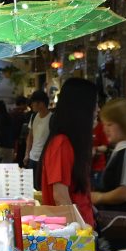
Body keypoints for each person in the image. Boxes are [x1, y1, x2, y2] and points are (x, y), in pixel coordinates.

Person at [39, 78, 97, 228]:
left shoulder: (69, 143)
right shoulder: (61, 143)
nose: (97, 110)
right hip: (74, 237)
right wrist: (79, 232)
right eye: (94, 104)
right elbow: (60, 196)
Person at [23, 90, 51, 172]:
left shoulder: (52, 118)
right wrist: (27, 154)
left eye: (33, 103)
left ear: (41, 103)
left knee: (41, 184)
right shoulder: (33, 116)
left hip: (44, 159)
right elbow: (30, 136)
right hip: (32, 157)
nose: (31, 105)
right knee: (31, 184)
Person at [10, 95, 30, 163]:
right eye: (26, 104)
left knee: (16, 159)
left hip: (13, 140)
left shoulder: (12, 113)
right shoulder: (21, 114)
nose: (26, 106)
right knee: (20, 159)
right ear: (22, 104)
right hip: (19, 141)